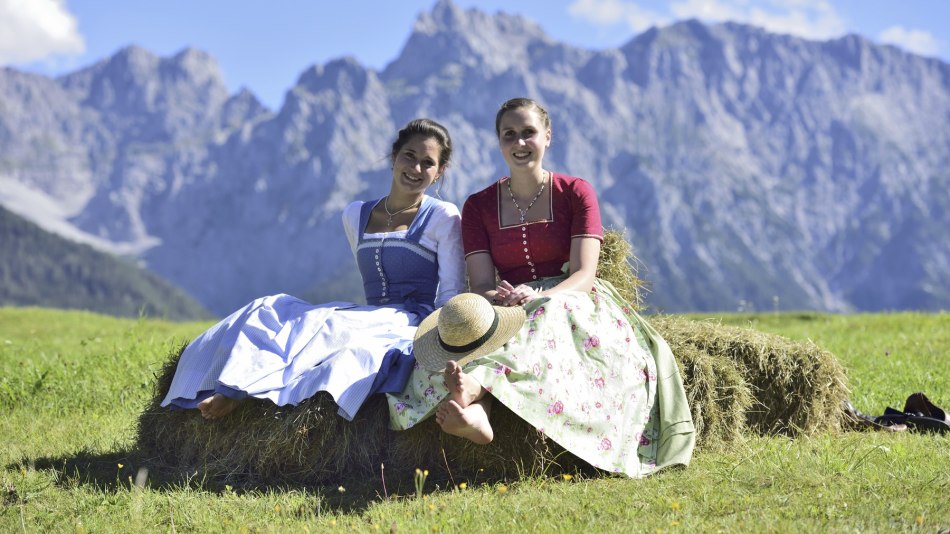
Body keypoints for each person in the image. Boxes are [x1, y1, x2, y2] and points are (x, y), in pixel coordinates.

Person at [387, 99, 695, 477]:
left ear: (547, 137)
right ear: (499, 143)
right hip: (506, 303)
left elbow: (584, 274)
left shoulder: (576, 192)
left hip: (570, 298)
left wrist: (541, 297)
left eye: (528, 133)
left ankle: (471, 389)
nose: (520, 143)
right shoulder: (479, 206)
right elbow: (481, 283)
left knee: (543, 318)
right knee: (471, 332)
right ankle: (477, 414)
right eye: (509, 135)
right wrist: (497, 300)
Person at [161, 118, 466, 421]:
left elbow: (450, 293)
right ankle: (226, 384)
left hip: (408, 322)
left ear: (439, 172)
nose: (415, 169)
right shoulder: (355, 214)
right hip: (369, 315)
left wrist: (431, 343)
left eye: (427, 163)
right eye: (409, 156)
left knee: (334, 333)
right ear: (393, 157)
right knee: (269, 310)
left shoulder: (443, 216)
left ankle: (239, 396)